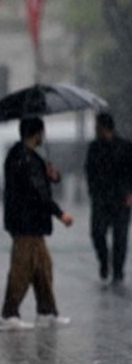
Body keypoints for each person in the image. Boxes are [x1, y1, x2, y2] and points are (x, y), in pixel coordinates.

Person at [0, 117, 73, 331]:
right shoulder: (24, 158)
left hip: (31, 224)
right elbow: (38, 193)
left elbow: (43, 181)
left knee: (43, 268)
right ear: (36, 133)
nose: (43, 136)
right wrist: (60, 214)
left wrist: (53, 176)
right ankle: (8, 314)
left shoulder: (26, 157)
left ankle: (46, 311)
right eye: (42, 132)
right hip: (25, 224)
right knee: (21, 270)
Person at [84, 112, 132, 285]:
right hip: (101, 199)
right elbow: (89, 172)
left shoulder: (125, 147)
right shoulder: (94, 148)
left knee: (120, 237)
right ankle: (104, 261)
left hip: (121, 199)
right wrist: (92, 192)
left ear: (104, 127)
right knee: (97, 233)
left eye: (97, 126)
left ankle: (118, 271)